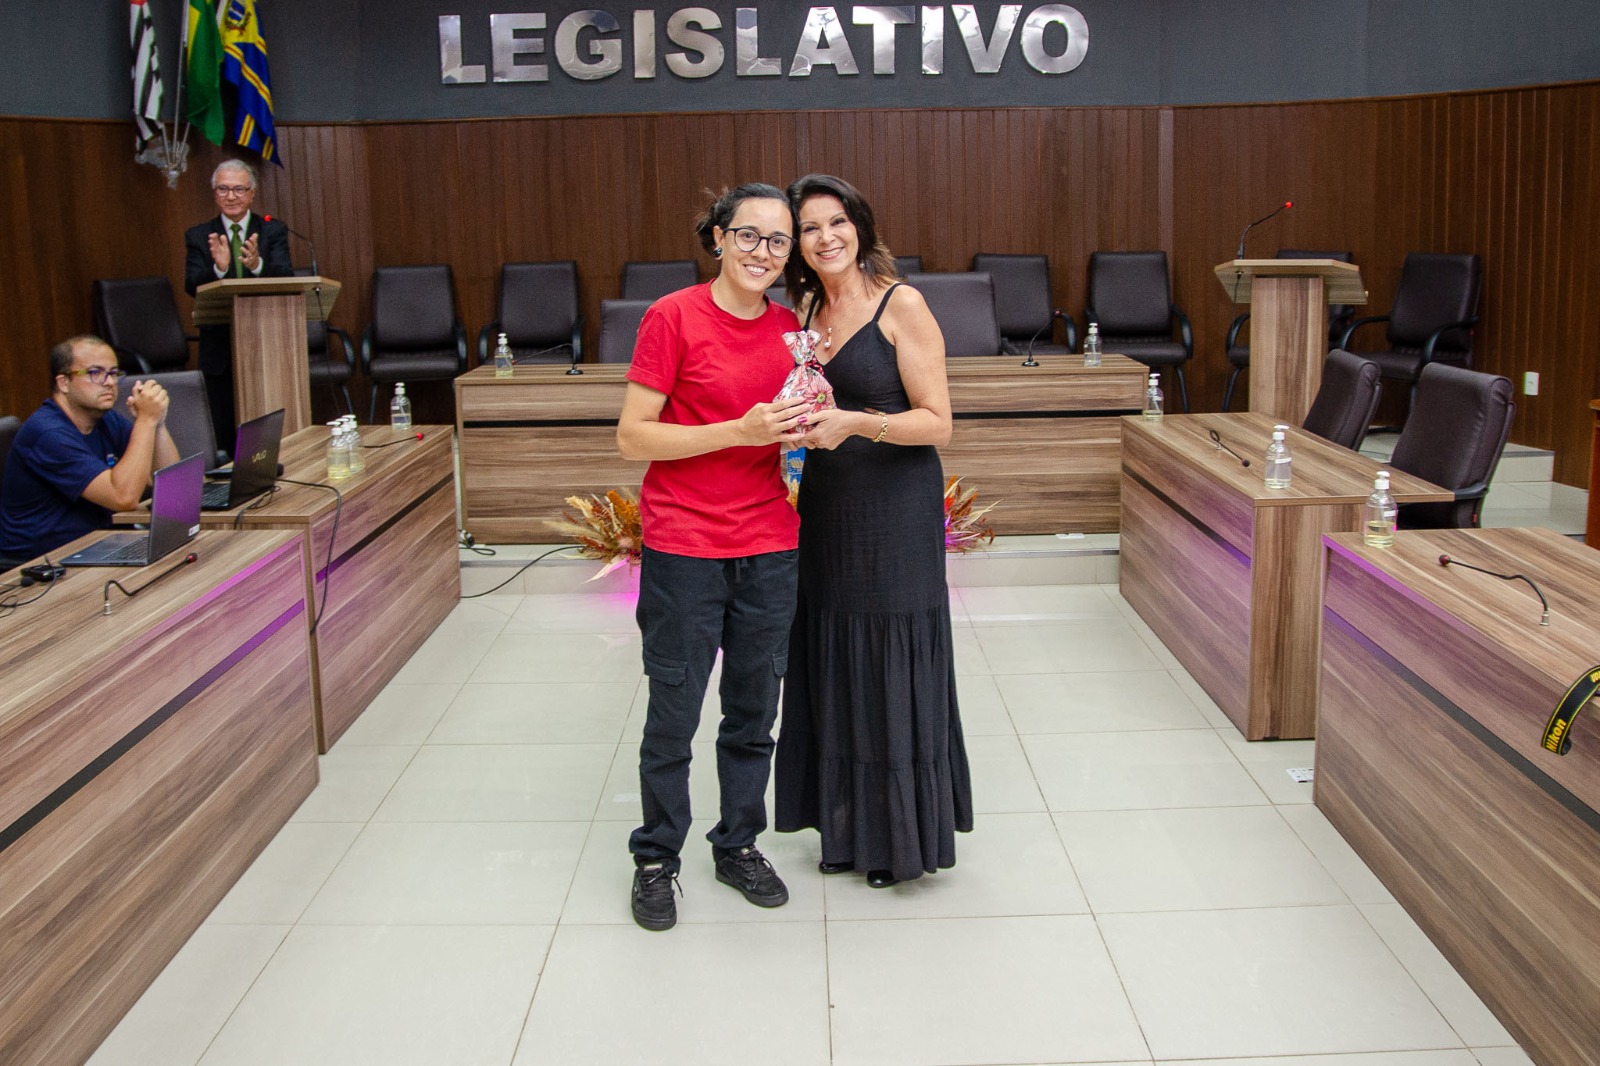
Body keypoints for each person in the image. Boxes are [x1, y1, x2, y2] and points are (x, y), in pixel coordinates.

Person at [616, 183, 812, 931]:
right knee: (674, 715)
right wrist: (739, 431)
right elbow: (633, 436)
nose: (763, 252)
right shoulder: (672, 317)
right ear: (720, 238)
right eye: (749, 235)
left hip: (771, 545)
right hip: (686, 546)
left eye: (778, 241)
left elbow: (794, 429)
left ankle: (737, 844)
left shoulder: (791, 330)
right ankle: (656, 857)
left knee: (754, 712)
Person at [774, 173, 973, 888]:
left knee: (888, 657)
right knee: (834, 653)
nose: (825, 237)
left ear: (860, 226)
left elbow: (938, 423)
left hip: (893, 509)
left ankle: (900, 839)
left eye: (837, 222)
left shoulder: (901, 303)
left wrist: (857, 423)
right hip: (827, 505)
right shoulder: (805, 309)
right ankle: (844, 825)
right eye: (809, 227)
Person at [0, 336, 180, 565]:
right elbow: (123, 498)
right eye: (95, 373)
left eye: (113, 373)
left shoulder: (107, 420)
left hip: (97, 547)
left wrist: (158, 423)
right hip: (43, 566)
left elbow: (169, 484)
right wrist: (145, 420)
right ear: (64, 383)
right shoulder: (47, 433)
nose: (110, 382)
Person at [183, 159, 292, 447]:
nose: (231, 196)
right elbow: (191, 285)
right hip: (220, 346)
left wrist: (257, 265)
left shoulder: (272, 230)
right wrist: (218, 270)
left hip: (267, 342)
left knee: (269, 427)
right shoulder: (198, 235)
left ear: (251, 193)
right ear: (214, 193)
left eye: (238, 189)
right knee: (224, 431)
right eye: (223, 189)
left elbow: (287, 278)